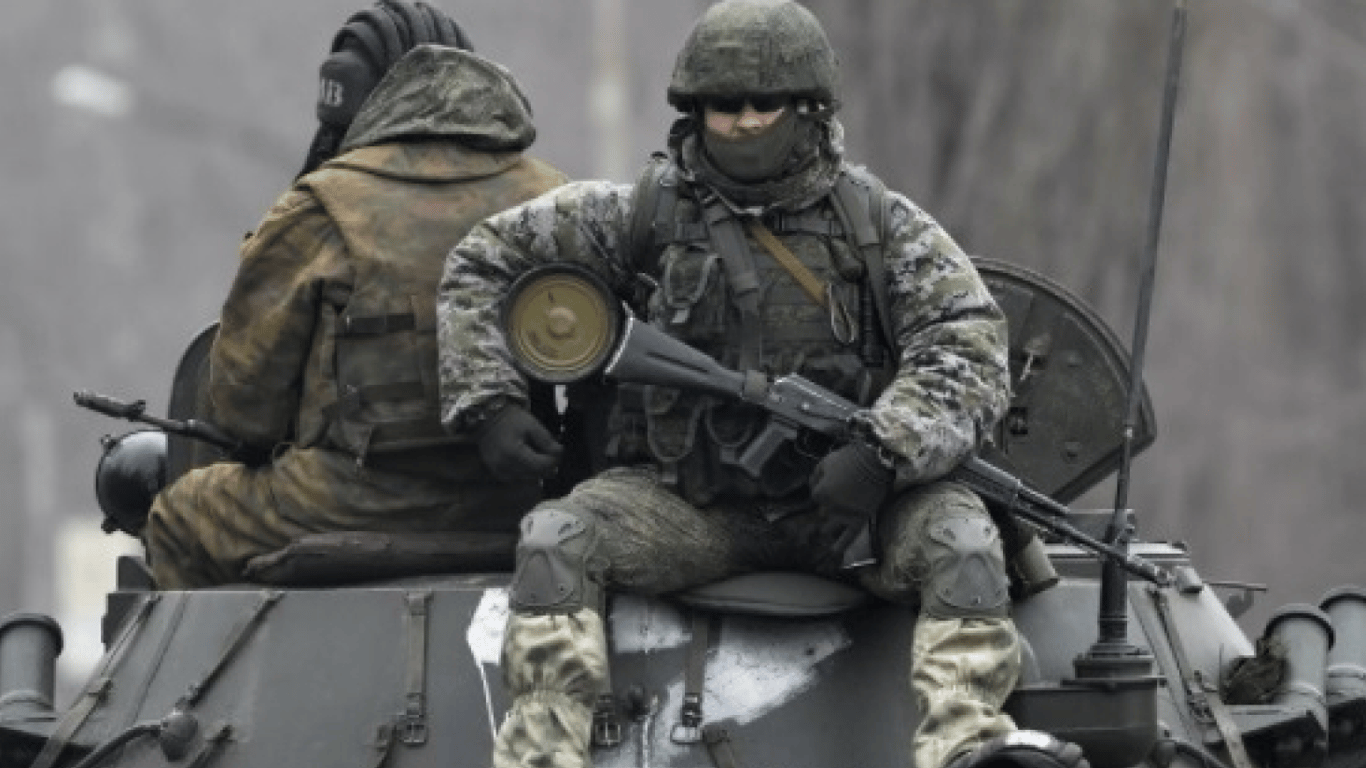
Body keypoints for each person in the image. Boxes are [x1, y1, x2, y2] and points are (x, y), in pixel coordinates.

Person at [437, 3, 1088, 768]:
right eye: (724, 104)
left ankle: (969, 743)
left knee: (965, 543)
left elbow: (969, 346)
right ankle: (544, 752)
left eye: (763, 103)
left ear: (809, 108)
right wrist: (489, 400)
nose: (743, 121)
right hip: (689, 507)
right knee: (557, 539)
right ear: (695, 110)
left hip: (856, 515)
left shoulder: (880, 226)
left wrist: (884, 451)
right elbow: (484, 258)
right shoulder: (641, 214)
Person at [142, 0, 567, 589]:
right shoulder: (554, 194)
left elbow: (246, 413)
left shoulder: (322, 205)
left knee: (179, 517)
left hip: (349, 501)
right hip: (524, 502)